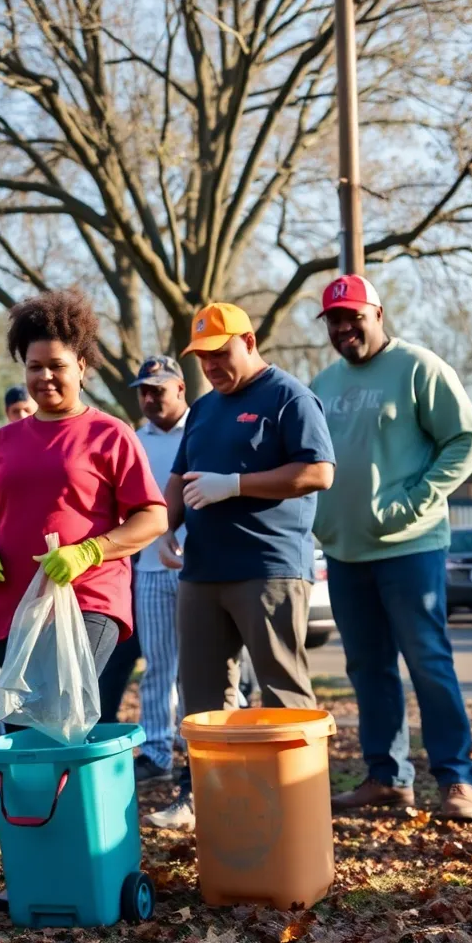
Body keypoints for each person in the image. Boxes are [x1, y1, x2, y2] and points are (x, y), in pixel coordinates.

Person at [146, 303, 335, 832]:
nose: (212, 366)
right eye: (202, 357)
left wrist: (235, 484)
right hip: (202, 572)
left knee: (282, 692)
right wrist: (165, 529)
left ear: (248, 342)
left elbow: (319, 471)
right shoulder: (203, 409)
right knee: (201, 698)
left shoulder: (288, 395)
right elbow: (180, 477)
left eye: (220, 353)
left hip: (269, 568)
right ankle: (206, 802)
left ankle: (298, 810)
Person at [311, 275, 472, 820]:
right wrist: (321, 521)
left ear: (377, 314)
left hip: (409, 547)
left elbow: (463, 441)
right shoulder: (324, 383)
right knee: (368, 666)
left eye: (352, 317)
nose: (342, 328)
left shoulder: (418, 367)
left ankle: (455, 778)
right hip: (345, 552)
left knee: (428, 663)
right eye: (334, 320)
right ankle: (387, 777)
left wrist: (415, 500)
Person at [0, 290, 168, 708]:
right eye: (34, 367)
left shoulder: (110, 434)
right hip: (12, 606)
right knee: (24, 729)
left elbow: (153, 517)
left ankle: (81, 776)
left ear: (82, 366)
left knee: (60, 712)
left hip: (86, 600)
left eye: (57, 366)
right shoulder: (2, 441)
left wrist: (90, 551)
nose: (45, 377)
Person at [104, 356, 188, 785]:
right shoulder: (133, 440)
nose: (150, 397)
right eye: (144, 391)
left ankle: (197, 749)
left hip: (199, 567)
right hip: (151, 569)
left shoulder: (202, 429)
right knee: (158, 665)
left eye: (158, 389)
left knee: (198, 667)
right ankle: (157, 751)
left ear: (180, 389)